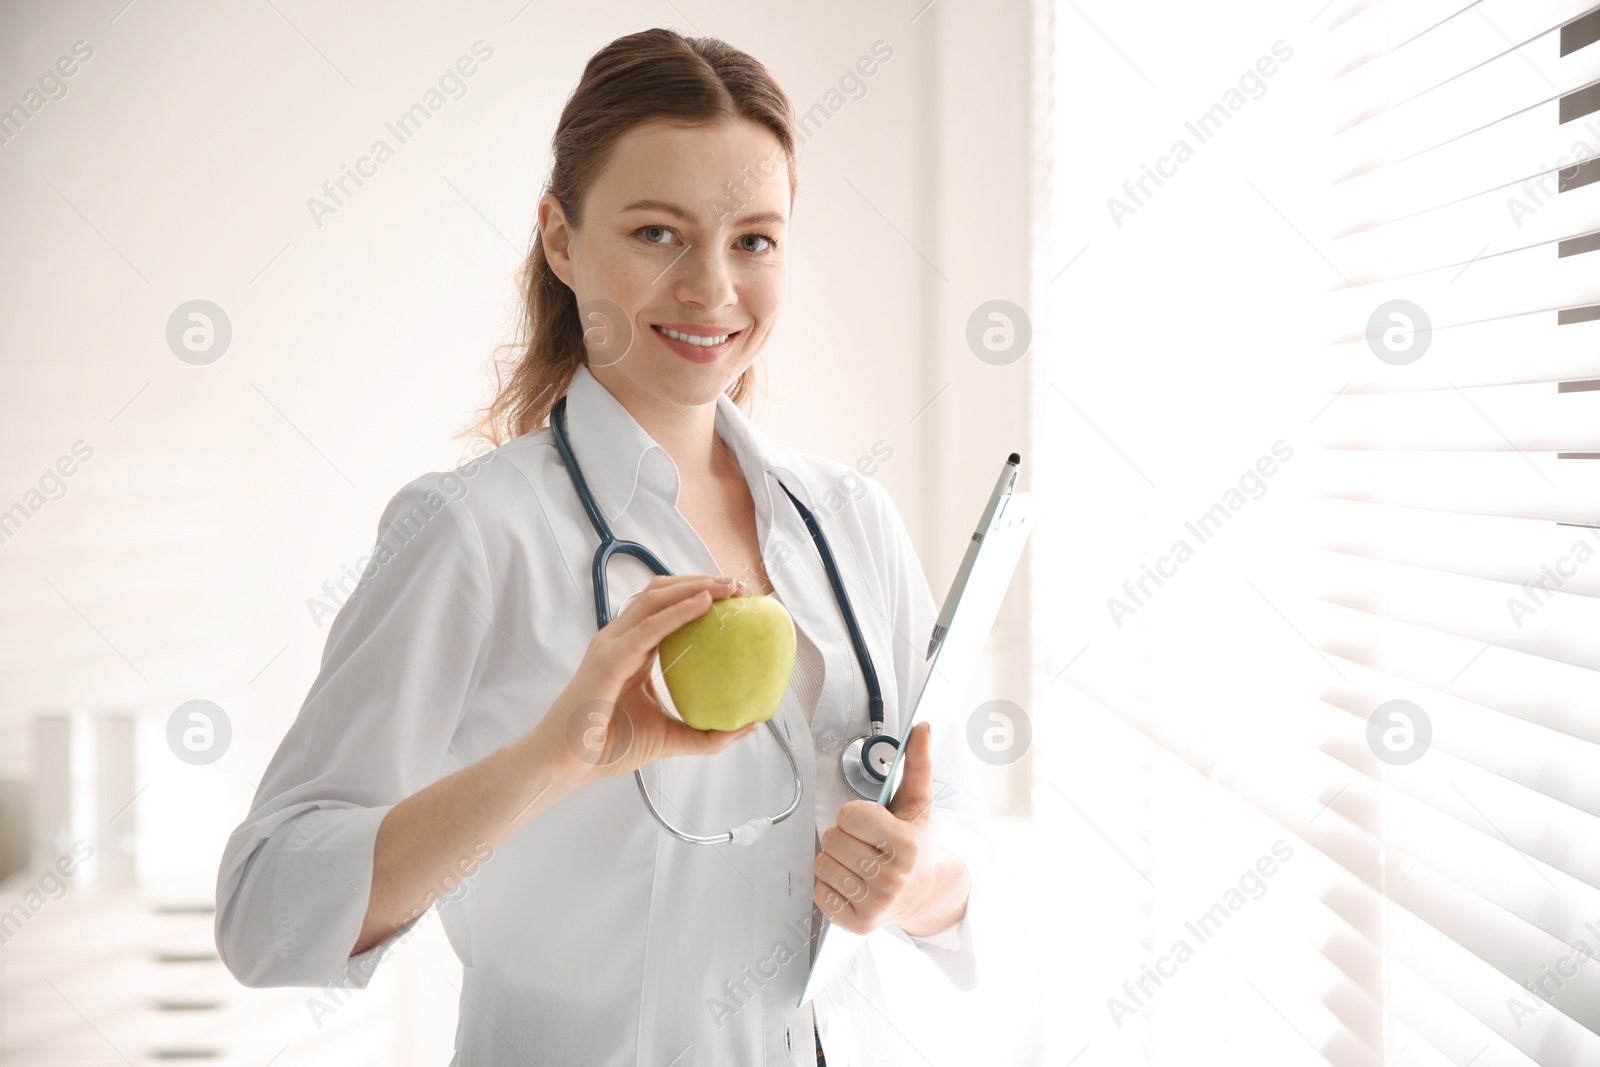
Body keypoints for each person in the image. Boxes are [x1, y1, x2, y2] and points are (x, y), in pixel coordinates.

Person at [214, 27, 992, 1066]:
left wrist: (917, 875)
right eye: (659, 232)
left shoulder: (851, 521)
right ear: (562, 239)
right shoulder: (472, 533)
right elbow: (263, 910)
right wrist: (548, 761)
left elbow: (962, 843)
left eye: (754, 239)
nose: (712, 288)